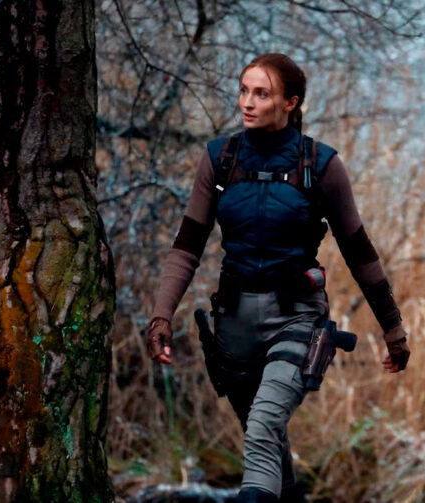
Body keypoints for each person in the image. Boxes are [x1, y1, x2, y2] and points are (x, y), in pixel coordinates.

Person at [146, 54, 411, 503]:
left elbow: (360, 253)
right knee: (265, 441)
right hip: (233, 327)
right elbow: (187, 247)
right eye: (243, 91)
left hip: (297, 318)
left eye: (261, 94)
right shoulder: (220, 159)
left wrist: (393, 328)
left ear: (291, 102)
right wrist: (161, 316)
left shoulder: (321, 165)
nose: (247, 103)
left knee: (264, 426)